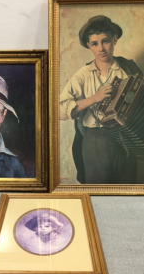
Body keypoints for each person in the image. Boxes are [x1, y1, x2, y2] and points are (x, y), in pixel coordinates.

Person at [60, 15, 142, 184]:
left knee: (128, 189)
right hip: (96, 140)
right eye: (95, 44)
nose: (101, 48)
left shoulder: (129, 68)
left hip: (127, 138)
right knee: (97, 193)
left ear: (114, 40)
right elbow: (59, 110)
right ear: (89, 46)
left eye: (105, 41)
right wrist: (94, 98)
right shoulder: (83, 75)